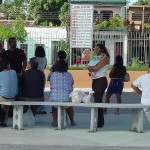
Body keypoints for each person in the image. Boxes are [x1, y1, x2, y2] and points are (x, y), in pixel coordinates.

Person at [48, 60, 76, 126]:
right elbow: (72, 83)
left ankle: (54, 121)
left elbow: (51, 83)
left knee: (54, 107)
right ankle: (72, 121)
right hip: (66, 98)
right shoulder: (69, 75)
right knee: (69, 106)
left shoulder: (52, 74)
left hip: (54, 98)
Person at [88, 44, 110, 128]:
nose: (96, 50)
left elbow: (96, 68)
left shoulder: (105, 58)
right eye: (95, 49)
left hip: (101, 80)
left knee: (98, 101)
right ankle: (98, 120)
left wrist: (92, 68)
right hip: (95, 80)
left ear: (102, 49)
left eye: (97, 49)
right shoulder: (95, 57)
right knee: (97, 100)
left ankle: (100, 122)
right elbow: (89, 67)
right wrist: (92, 68)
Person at [0, 59, 18, 127]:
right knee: (5, 106)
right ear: (7, 65)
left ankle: (3, 121)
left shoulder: (0, 74)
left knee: (4, 99)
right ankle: (4, 122)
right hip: (13, 97)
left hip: (4, 98)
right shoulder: (14, 72)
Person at [35, 46, 47, 114]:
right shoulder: (45, 58)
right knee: (41, 92)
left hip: (35, 75)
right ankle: (42, 108)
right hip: (42, 75)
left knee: (35, 92)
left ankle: (36, 107)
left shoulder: (35, 59)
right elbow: (45, 66)